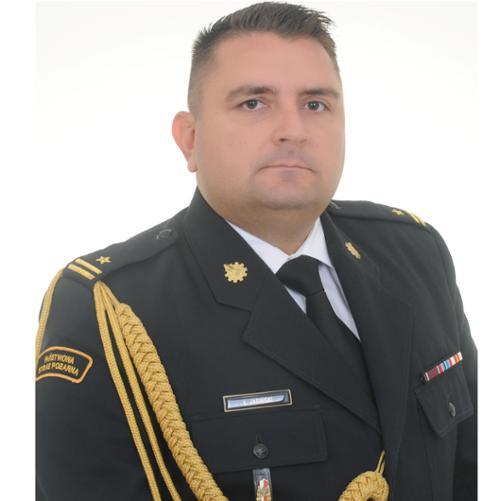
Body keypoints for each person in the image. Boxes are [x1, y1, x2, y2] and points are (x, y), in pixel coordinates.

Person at [35, 2, 477, 500]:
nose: (293, 129)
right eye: (253, 103)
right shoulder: (110, 308)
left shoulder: (415, 254)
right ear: (190, 138)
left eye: (316, 104)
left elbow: (472, 468)